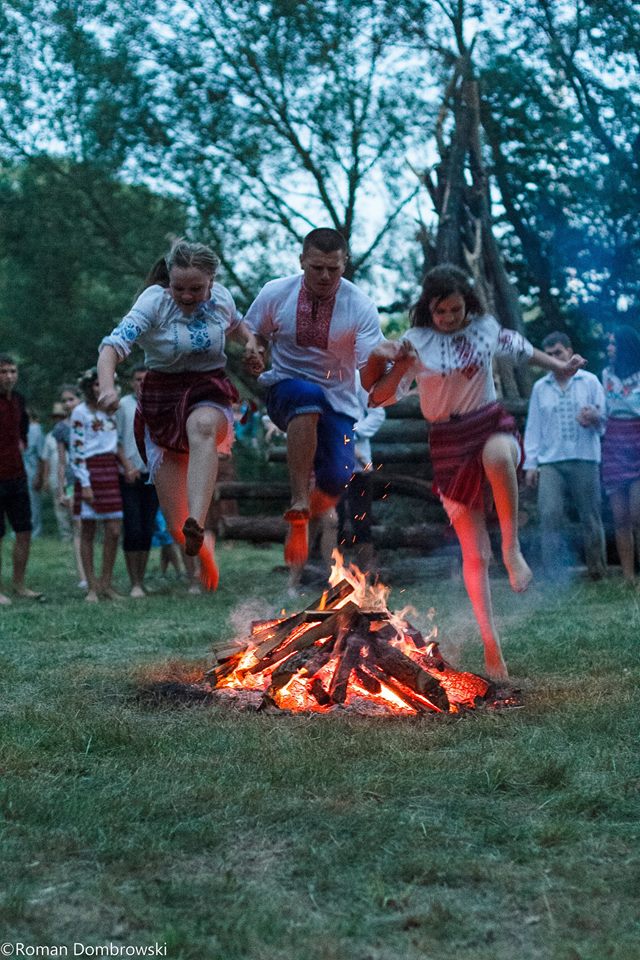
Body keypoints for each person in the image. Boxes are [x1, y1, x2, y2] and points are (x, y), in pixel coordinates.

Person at [361, 264, 585, 681]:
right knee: (474, 552)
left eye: (455, 310)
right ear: (429, 309)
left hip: (487, 421)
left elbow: (520, 349)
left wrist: (559, 367)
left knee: (499, 454)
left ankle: (512, 548)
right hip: (447, 439)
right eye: (440, 311)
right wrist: (395, 363)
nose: (448, 318)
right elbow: (378, 397)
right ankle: (490, 644)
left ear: (468, 305)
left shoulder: (484, 329)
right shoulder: (417, 341)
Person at [96, 237, 263, 590]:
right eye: (179, 288)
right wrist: (107, 387)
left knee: (201, 426)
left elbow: (237, 326)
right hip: (162, 397)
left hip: (208, 388)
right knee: (174, 526)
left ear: (211, 282)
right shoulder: (153, 302)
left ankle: (197, 521)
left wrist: (250, 343)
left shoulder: (222, 299)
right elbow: (112, 347)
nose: (187, 296)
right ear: (168, 280)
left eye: (196, 289)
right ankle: (200, 546)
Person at [243, 227, 387, 569]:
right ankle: (299, 501)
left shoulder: (360, 305)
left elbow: (368, 368)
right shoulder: (275, 292)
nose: (324, 276)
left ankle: (303, 520)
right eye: (316, 267)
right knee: (307, 396)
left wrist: (391, 362)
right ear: (301, 261)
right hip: (286, 389)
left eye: (333, 269)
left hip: (339, 401)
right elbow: (252, 333)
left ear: (344, 264)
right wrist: (254, 351)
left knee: (339, 476)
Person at [523, 331, 607, 582]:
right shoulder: (541, 387)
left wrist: (594, 417)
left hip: (585, 456)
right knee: (549, 515)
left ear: (569, 351)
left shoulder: (589, 381)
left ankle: (598, 570)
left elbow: (604, 419)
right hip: (551, 461)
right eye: (549, 354)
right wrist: (531, 464)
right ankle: (553, 574)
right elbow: (534, 428)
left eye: (558, 352)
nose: (554, 357)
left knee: (590, 515)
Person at [70, 368, 128, 603]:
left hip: (110, 470)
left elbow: (117, 442)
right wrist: (84, 482)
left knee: (114, 530)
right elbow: (77, 450)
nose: (100, 389)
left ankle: (106, 583)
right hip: (90, 470)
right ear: (88, 387)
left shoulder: (111, 411)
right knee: (88, 529)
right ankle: (92, 587)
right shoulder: (80, 413)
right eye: (96, 384)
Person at [0, 355, 41, 603]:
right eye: (3, 372)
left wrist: (21, 444)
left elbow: (23, 432)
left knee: (24, 530)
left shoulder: (18, 400)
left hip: (17, 475)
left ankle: (19, 584)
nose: (9, 376)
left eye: (12, 371)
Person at [601, 324, 640, 584]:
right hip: (614, 440)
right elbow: (603, 408)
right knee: (620, 517)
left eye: (614, 343)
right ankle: (628, 577)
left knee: (638, 514)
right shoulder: (606, 375)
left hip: (638, 437)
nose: (609, 348)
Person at [116, 367, 159, 598]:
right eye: (138, 379)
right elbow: (116, 439)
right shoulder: (123, 405)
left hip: (152, 475)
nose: (142, 383)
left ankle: (141, 580)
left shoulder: (159, 403)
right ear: (132, 382)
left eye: (146, 379)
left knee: (147, 528)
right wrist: (126, 466)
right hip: (129, 475)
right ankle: (133, 582)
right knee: (132, 528)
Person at [337, 376, 386, 572]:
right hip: (333, 461)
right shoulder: (323, 375)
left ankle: (365, 574)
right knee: (335, 519)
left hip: (360, 464)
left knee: (362, 519)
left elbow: (377, 414)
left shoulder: (359, 379)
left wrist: (353, 433)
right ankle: (335, 573)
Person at [53, 384, 87, 588]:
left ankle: (96, 573)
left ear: (79, 399)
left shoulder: (90, 421)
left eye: (71, 399)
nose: (68, 404)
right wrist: (61, 489)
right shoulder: (61, 428)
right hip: (73, 480)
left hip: (93, 477)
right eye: (64, 400)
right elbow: (61, 461)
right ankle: (83, 576)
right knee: (79, 526)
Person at [41, 402, 73, 541]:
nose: (58, 419)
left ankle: (78, 533)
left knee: (73, 503)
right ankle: (66, 535)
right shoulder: (49, 437)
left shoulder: (74, 431)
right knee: (60, 506)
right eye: (56, 417)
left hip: (71, 475)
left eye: (61, 416)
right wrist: (45, 479)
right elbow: (45, 460)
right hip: (55, 476)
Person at [23, 409, 45, 538]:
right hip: (20, 472)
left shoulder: (36, 430)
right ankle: (22, 530)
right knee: (22, 502)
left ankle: (35, 531)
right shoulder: (19, 430)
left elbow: (41, 456)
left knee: (33, 502)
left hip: (32, 472)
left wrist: (39, 476)